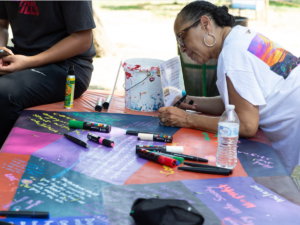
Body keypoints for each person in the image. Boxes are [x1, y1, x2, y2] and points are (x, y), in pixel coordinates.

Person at [158, 1, 300, 174]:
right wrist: (188, 101)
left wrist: (186, 119)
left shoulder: (233, 54)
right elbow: (237, 103)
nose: (182, 48)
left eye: (182, 37)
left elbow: (246, 125)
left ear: (205, 24)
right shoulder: (240, 36)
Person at [0, 1, 96, 148]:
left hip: (68, 66)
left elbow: (82, 39)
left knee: (4, 91)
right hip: (21, 57)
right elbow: (1, 24)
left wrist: (30, 62)